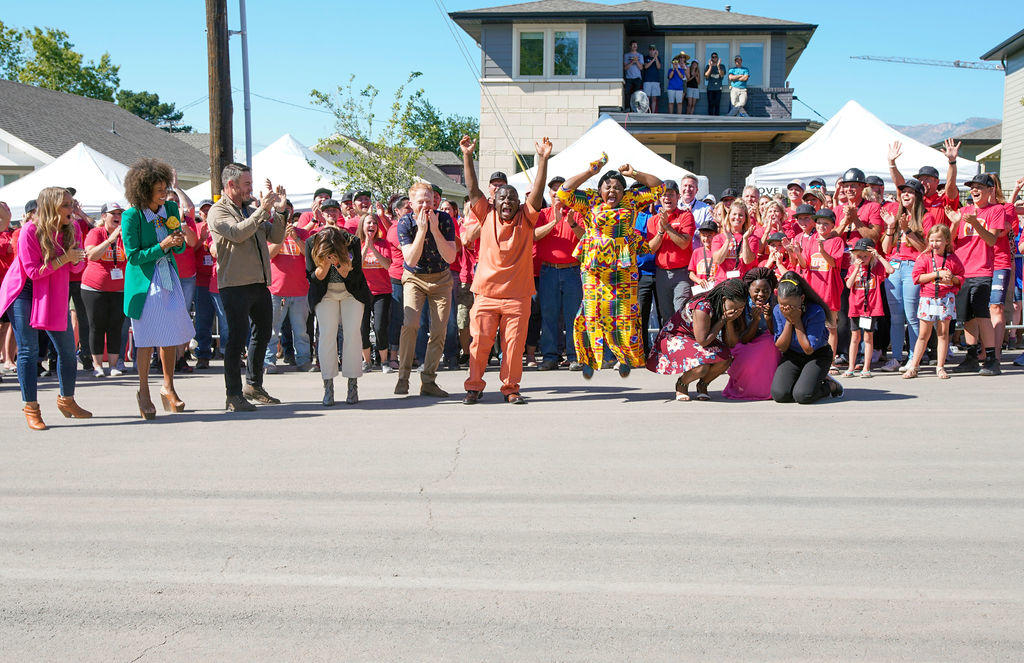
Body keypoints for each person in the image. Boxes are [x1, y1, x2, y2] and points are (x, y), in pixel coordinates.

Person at [460, 135, 551, 404]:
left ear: (518, 202)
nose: (507, 202)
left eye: (512, 197)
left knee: (513, 347)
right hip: (486, 294)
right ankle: (474, 387)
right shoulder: (484, 214)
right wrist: (467, 155)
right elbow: (472, 187)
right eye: (502, 198)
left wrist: (543, 159)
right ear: (494, 201)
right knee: (480, 344)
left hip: (517, 296)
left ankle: (511, 388)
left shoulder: (527, 217)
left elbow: (537, 190)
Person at [556, 153, 663, 378]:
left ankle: (625, 357)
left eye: (617, 187)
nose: (612, 191)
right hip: (594, 268)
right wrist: (590, 172)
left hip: (623, 268)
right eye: (608, 187)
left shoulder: (631, 200)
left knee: (624, 314)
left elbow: (659, 188)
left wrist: (634, 173)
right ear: (600, 189)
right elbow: (563, 192)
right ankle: (588, 358)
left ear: (623, 190)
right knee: (592, 313)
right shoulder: (591, 200)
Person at [0, 187, 92, 429]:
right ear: (51, 207)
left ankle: (67, 400)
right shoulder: (30, 230)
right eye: (66, 205)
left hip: (52, 290)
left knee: (68, 349)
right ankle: (31, 408)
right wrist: (65, 259)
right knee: (29, 351)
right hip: (24, 290)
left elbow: (75, 270)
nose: (71, 209)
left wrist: (77, 259)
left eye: (71, 204)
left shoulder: (71, 229)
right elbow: (32, 271)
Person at [206, 163, 288, 411]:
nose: (250, 189)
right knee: (236, 339)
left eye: (250, 183)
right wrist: (262, 212)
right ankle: (233, 395)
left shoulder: (250, 210)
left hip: (258, 283)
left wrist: (281, 213)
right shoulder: (217, 212)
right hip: (235, 285)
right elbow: (237, 233)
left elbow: (275, 237)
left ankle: (253, 385)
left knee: (263, 334)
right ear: (231, 185)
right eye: (247, 184)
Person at [121, 159, 195, 418]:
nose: (165, 194)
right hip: (145, 284)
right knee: (145, 339)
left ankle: (168, 387)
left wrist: (176, 242)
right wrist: (162, 245)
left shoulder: (171, 209)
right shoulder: (131, 216)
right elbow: (133, 256)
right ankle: (143, 391)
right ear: (143, 191)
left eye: (165, 188)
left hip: (168, 277)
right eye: (159, 190)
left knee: (171, 335)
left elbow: (180, 247)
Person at [394, 182, 458, 397]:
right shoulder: (404, 223)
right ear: (411, 204)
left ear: (435, 202)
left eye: (429, 202)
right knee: (410, 324)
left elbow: (450, 257)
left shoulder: (445, 219)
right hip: (415, 277)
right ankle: (403, 377)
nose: (425, 206)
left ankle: (428, 380)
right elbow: (410, 260)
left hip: (441, 278)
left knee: (440, 330)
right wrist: (422, 230)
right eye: (420, 202)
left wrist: (434, 229)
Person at [946, 173, 1007, 375]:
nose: (974, 190)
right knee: (967, 317)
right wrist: (955, 223)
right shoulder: (963, 211)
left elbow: (991, 240)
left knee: (982, 314)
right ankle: (971, 357)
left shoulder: (996, 210)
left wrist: (976, 222)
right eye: (972, 187)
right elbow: (951, 243)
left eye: (979, 186)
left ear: (990, 191)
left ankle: (991, 358)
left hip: (982, 270)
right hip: (963, 271)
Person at [646, 278, 746, 401]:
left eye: (741, 308)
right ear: (724, 300)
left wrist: (729, 322)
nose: (737, 311)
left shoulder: (728, 306)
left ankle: (703, 384)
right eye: (735, 308)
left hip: (699, 336)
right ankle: (682, 384)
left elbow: (731, 344)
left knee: (725, 358)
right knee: (701, 365)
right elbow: (702, 341)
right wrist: (723, 320)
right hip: (676, 336)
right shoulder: (703, 306)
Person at [306, 225, 370, 406]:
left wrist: (338, 263)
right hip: (325, 293)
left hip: (351, 292)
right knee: (327, 335)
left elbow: (355, 275)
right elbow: (312, 277)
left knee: (352, 334)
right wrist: (325, 264)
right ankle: (328, 387)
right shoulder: (311, 242)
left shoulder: (352, 242)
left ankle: (352, 385)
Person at [534, 176, 584, 371]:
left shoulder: (577, 214)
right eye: (553, 189)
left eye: (561, 189)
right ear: (549, 194)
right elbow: (533, 236)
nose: (556, 192)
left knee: (574, 316)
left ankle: (574, 356)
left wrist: (571, 223)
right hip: (548, 271)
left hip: (572, 271)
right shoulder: (543, 214)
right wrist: (554, 221)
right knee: (548, 315)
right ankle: (550, 357)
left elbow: (585, 239)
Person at [771, 271, 843, 404]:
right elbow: (781, 346)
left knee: (803, 396)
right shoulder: (777, 310)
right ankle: (805, 379)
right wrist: (789, 320)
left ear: (802, 298)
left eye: (791, 306)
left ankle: (830, 386)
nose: (786, 308)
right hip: (793, 355)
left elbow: (808, 349)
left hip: (817, 355)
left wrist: (797, 320)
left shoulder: (816, 311)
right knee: (780, 395)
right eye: (782, 305)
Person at [879, 178, 928, 372]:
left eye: (910, 192)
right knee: (896, 317)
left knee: (912, 316)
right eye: (903, 192)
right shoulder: (897, 216)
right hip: (894, 267)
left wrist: (907, 230)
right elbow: (885, 248)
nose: (905, 195)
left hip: (913, 266)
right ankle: (896, 358)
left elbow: (924, 248)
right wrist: (891, 227)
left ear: (918, 196)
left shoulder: (926, 217)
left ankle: (914, 358)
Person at [904, 224, 964, 379]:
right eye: (932, 240)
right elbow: (917, 277)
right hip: (928, 299)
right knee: (923, 334)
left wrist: (952, 278)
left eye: (938, 240)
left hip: (946, 299)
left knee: (943, 334)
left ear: (946, 242)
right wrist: (937, 274)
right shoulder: (924, 258)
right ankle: (914, 366)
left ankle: (940, 366)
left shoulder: (953, 258)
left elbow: (961, 277)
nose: (935, 244)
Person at [81, 201, 127, 377]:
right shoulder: (95, 233)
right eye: (112, 214)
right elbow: (92, 255)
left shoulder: (125, 235)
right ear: (103, 216)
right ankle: (98, 365)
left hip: (119, 288)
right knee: (96, 326)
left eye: (119, 214)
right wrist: (110, 239)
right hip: (94, 288)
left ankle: (114, 365)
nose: (117, 217)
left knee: (116, 326)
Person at [265, 204, 312, 374]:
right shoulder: (271, 232)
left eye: (289, 212)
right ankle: (268, 362)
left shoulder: (303, 233)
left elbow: (309, 256)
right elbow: (269, 254)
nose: (287, 216)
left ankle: (304, 361)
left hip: (300, 291)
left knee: (301, 331)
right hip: (277, 291)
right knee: (272, 330)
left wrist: (296, 237)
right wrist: (283, 237)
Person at [723, 267, 780, 400]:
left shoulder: (774, 302)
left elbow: (775, 334)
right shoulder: (742, 305)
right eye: (757, 291)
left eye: (766, 291)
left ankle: (766, 389)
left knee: (770, 343)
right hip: (746, 343)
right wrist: (755, 321)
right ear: (749, 290)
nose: (761, 294)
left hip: (767, 344)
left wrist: (769, 319)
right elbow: (743, 339)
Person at [646, 180, 695, 325]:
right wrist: (661, 230)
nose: (667, 198)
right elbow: (652, 248)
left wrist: (667, 226)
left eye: (671, 194)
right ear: (660, 198)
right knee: (666, 315)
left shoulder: (685, 216)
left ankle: (684, 345)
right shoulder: (653, 220)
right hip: (662, 274)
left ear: (678, 196)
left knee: (681, 311)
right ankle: (669, 346)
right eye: (664, 195)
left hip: (682, 273)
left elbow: (684, 243)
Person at [842, 238, 893, 378]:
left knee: (868, 337)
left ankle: (866, 367)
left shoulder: (876, 268)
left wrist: (879, 256)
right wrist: (856, 269)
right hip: (855, 308)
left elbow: (891, 270)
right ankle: (851, 367)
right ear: (854, 256)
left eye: (866, 256)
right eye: (859, 256)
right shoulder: (853, 268)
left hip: (870, 309)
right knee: (854, 337)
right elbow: (848, 285)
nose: (862, 258)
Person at [356, 212, 393, 372]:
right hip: (362, 292)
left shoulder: (384, 244)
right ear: (362, 226)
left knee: (379, 327)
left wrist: (373, 248)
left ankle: (384, 361)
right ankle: (367, 361)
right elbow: (356, 266)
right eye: (368, 223)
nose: (372, 226)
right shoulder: (356, 243)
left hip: (382, 292)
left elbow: (386, 265)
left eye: (374, 223)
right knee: (362, 328)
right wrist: (366, 247)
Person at [711, 201, 758, 283]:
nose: (737, 217)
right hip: (723, 283)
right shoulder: (718, 238)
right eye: (734, 214)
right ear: (728, 216)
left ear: (745, 218)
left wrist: (745, 239)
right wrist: (728, 240)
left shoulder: (752, 239)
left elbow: (747, 260)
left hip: (743, 283)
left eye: (741, 215)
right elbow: (718, 260)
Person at [688, 219, 719, 294]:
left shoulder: (719, 252)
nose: (706, 239)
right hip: (700, 290)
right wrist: (699, 280)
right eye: (703, 236)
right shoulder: (696, 252)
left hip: (715, 289)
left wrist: (716, 278)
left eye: (709, 236)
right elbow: (691, 274)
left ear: (716, 236)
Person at [623, 41, 644, 109]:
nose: (635, 46)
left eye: (636, 45)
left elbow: (641, 68)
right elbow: (625, 68)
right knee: (627, 92)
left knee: (637, 94)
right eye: (633, 45)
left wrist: (637, 61)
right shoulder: (627, 55)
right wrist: (632, 62)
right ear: (630, 46)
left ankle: (636, 108)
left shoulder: (640, 56)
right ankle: (628, 107)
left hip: (637, 78)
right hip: (629, 77)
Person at [642, 44, 661, 113]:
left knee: (654, 98)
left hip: (655, 81)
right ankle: (646, 112)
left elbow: (658, 67)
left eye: (653, 49)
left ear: (655, 50)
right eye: (651, 49)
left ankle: (652, 113)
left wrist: (656, 57)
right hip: (647, 81)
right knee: (647, 98)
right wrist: (653, 59)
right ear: (649, 50)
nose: (652, 51)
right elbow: (646, 66)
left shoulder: (658, 58)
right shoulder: (646, 58)